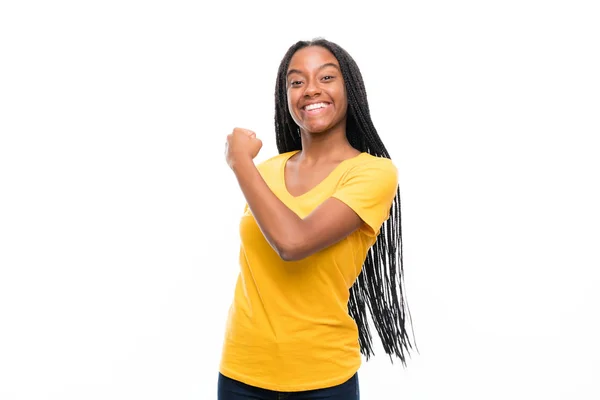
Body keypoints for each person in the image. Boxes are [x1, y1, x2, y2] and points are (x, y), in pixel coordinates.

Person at [218, 38, 415, 399]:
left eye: (326, 78)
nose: (311, 90)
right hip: (240, 372)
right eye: (296, 81)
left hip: (322, 380)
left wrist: (240, 162)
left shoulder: (373, 173)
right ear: (285, 97)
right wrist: (252, 168)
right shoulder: (267, 171)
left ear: (350, 88)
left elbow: (294, 243)